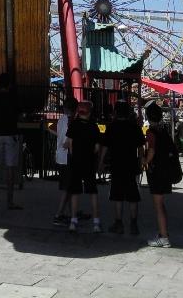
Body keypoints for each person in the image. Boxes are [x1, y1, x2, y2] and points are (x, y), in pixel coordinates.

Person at [99, 101, 145, 235]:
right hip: (131, 164)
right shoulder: (134, 127)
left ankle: (118, 224)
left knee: (117, 195)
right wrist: (141, 161)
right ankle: (133, 224)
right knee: (133, 196)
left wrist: (101, 163)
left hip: (116, 164)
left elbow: (105, 147)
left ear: (116, 112)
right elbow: (141, 146)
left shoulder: (112, 127)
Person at [66, 100, 102, 233]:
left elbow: (69, 143)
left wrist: (73, 154)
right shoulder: (94, 126)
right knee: (92, 192)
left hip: (76, 161)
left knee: (75, 192)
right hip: (89, 162)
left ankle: (73, 221)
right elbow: (97, 147)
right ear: (90, 112)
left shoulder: (74, 125)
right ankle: (96, 223)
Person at [0, 72, 21, 209]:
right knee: (10, 169)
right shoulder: (13, 98)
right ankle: (9, 201)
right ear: (9, 84)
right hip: (10, 134)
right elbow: (19, 112)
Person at [143, 101, 172, 248]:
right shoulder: (164, 130)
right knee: (161, 204)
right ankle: (163, 231)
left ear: (148, 117)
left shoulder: (151, 132)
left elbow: (152, 150)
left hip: (156, 171)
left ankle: (164, 237)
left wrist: (144, 162)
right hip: (166, 169)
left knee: (158, 205)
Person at [48, 97, 78, 225]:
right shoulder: (71, 121)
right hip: (67, 156)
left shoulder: (61, 119)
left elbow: (51, 129)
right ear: (75, 109)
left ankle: (72, 214)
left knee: (68, 187)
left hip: (60, 155)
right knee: (68, 188)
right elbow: (68, 139)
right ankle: (58, 214)